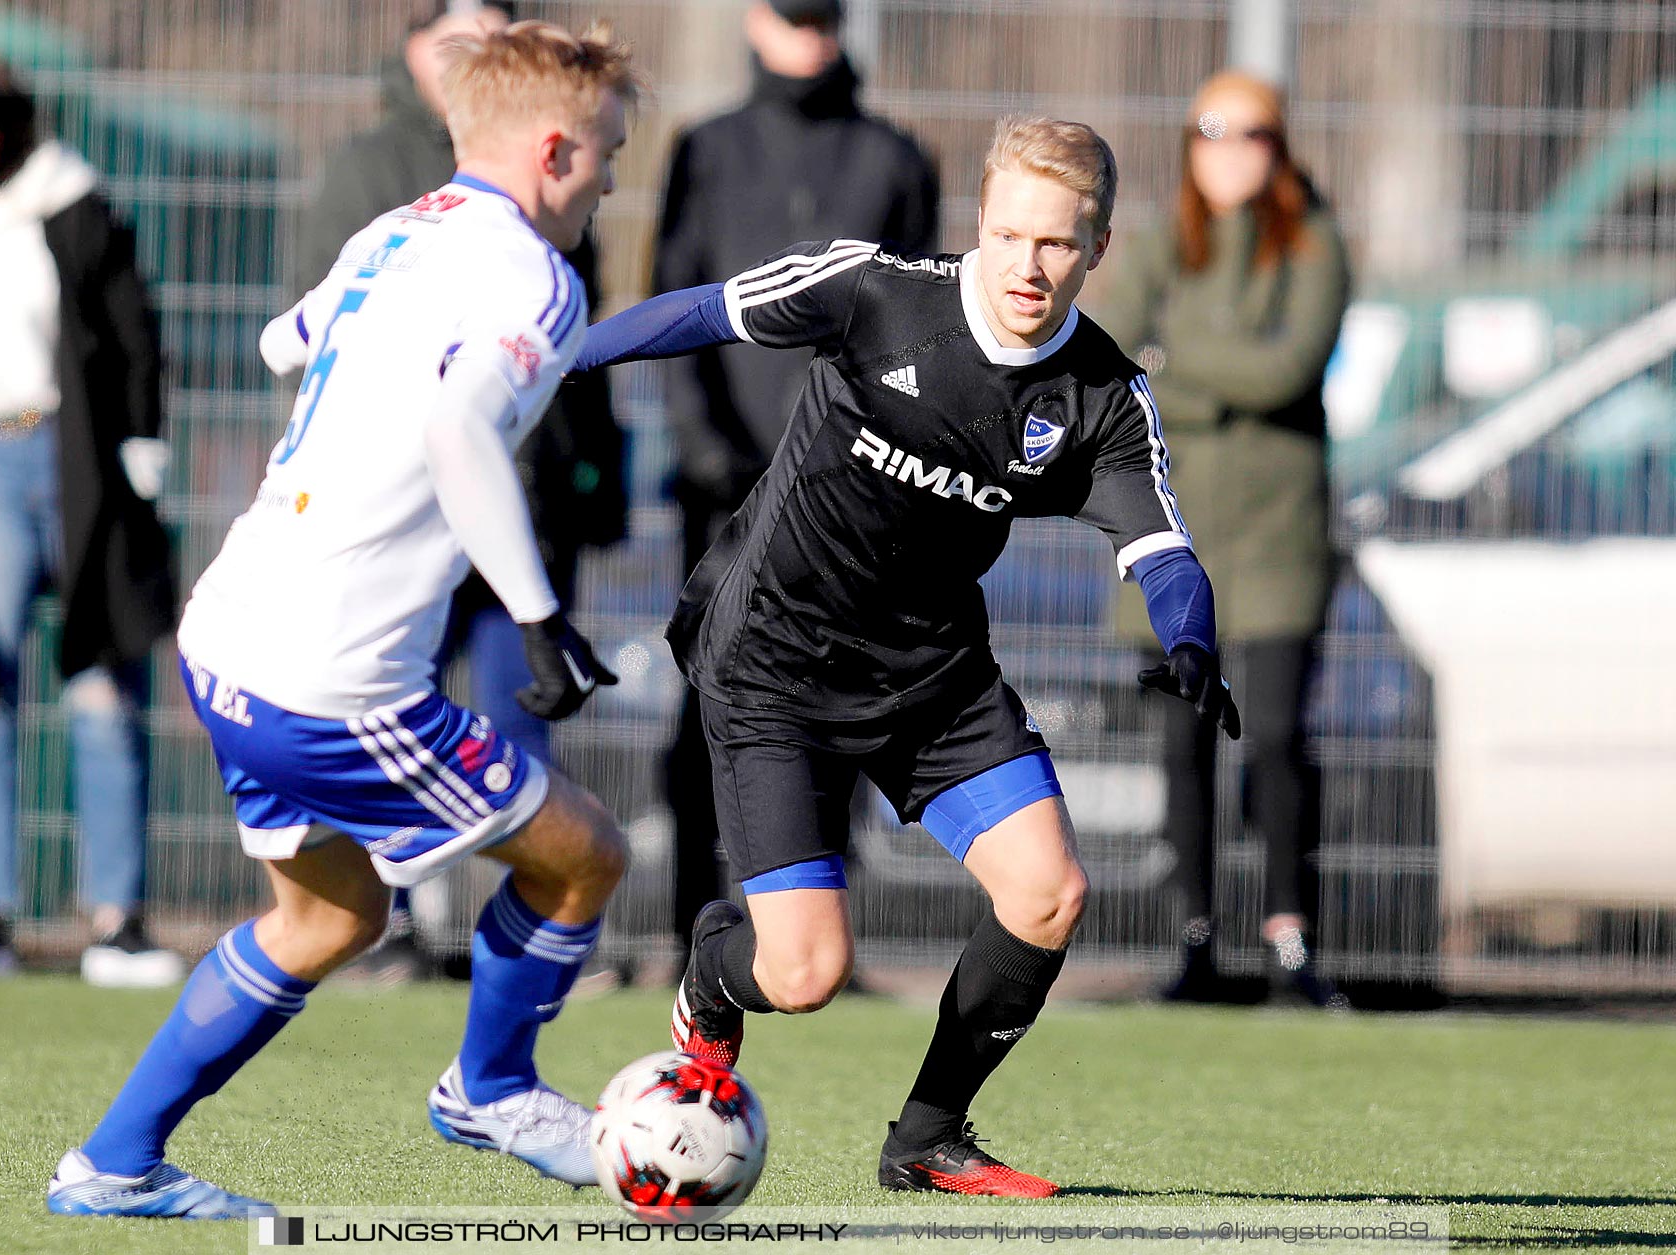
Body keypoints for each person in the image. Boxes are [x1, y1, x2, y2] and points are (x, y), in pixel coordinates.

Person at [571, 115, 1239, 1196]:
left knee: (1048, 894)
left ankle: (927, 1133)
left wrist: (1193, 640)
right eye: (1012, 233)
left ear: (1099, 248)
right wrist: (563, 357)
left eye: (1059, 243)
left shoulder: (1101, 398)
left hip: (930, 672)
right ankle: (709, 969)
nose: (1029, 263)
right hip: (775, 658)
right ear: (982, 217)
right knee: (804, 974)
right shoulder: (876, 293)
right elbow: (704, 311)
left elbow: (1162, 547)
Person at [44, 21, 638, 1220]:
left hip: (229, 638)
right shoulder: (538, 277)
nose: (615, 182)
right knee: (586, 855)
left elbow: (285, 338)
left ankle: (111, 1166)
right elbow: (461, 431)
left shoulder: (400, 229)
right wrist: (537, 616)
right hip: (334, 679)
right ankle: (494, 1087)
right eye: (613, 157)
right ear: (557, 150)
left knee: (330, 915)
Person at [296, 0, 628, 981]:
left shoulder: (548, 239)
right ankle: (388, 931)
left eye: (495, 41)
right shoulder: (379, 183)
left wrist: (590, 478)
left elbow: (576, 362)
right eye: (456, 45)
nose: (605, 179)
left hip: (513, 506)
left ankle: (515, 946)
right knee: (384, 712)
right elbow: (317, 344)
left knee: (518, 720)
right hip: (402, 525)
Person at [652, 0, 938, 962]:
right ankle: (699, 921)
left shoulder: (893, 158)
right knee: (713, 702)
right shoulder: (708, 150)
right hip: (725, 489)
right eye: (790, 15)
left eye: (823, 18)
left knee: (844, 704)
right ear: (751, 21)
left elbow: (916, 330)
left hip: (851, 496)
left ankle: (815, 931)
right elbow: (679, 302)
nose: (807, 36)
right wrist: (708, 453)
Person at [1085, 70, 1349, 1008]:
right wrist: (1165, 365)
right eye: (1210, 130)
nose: (1228, 149)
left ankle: (1290, 941)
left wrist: (1172, 362)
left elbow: (1285, 371)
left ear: (1280, 146)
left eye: (1250, 133)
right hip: (1179, 531)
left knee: (1275, 737)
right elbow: (1115, 348)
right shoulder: (1160, 243)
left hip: (1280, 534)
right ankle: (1194, 939)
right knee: (1181, 742)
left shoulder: (1314, 247)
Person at [0, 60, 182, 988]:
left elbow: (132, 330)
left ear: (2, 129)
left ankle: (117, 920)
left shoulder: (71, 202)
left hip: (74, 459)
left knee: (101, 686)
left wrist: (139, 449)